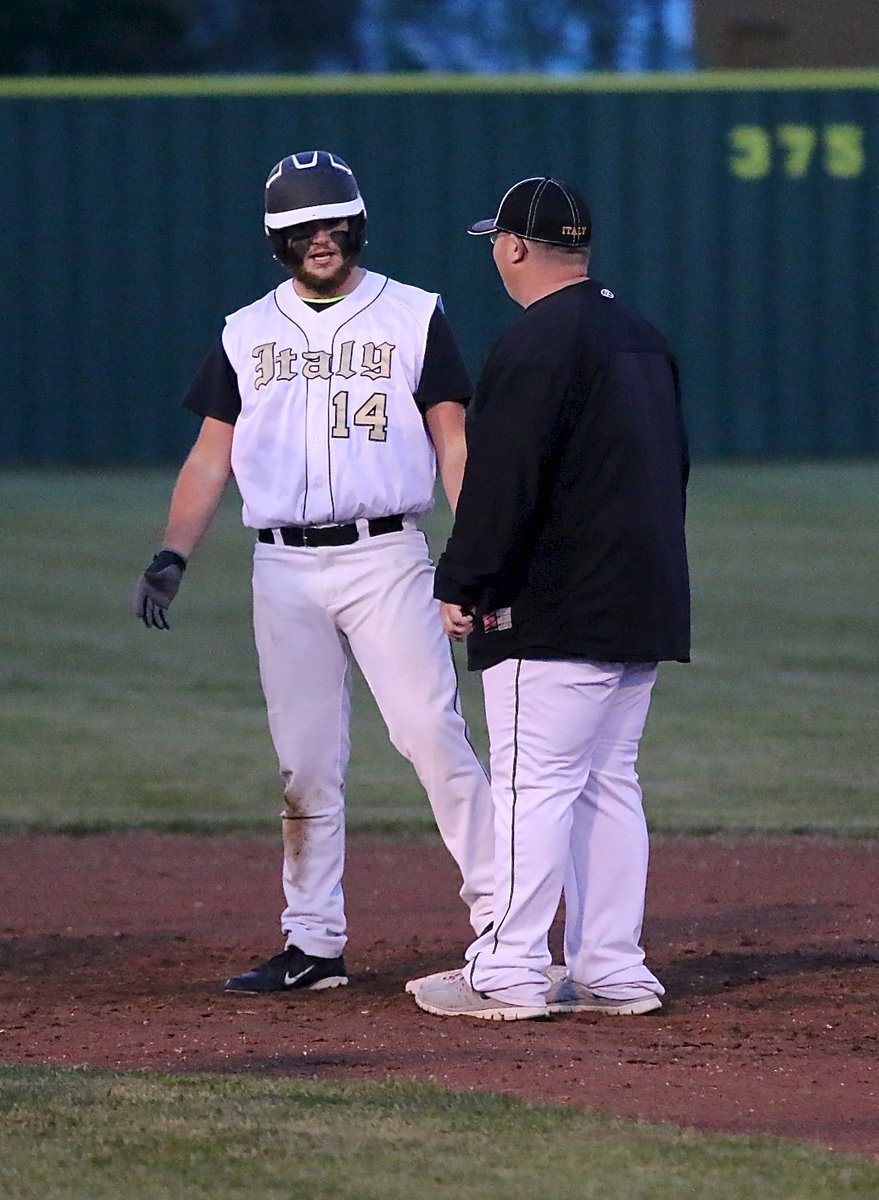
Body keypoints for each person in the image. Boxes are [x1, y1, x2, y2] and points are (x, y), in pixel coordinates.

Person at [134, 150, 495, 994]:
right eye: (301, 227)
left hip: (386, 557)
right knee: (304, 760)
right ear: (277, 240)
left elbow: (455, 441)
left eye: (332, 222)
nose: (320, 238)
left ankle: (501, 921)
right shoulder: (244, 329)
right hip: (283, 569)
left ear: (357, 225)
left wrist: (474, 549)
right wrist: (172, 552)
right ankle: (313, 944)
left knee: (432, 736)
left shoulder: (412, 314)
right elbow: (208, 456)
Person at [410, 175, 690, 1021]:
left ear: (516, 247)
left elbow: (503, 483)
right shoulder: (638, 335)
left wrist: (462, 580)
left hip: (554, 609)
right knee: (609, 783)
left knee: (533, 788)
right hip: (638, 598)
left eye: (496, 240)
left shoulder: (535, 342)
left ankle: (507, 972)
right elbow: (672, 472)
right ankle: (613, 970)